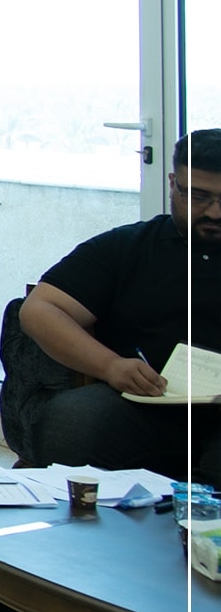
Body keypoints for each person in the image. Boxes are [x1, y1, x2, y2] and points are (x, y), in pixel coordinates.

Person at [18, 129, 221, 484]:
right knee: (70, 424)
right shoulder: (129, 246)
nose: (215, 212)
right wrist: (110, 365)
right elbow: (39, 309)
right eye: (198, 196)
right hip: (147, 401)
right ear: (172, 184)